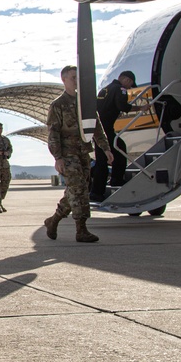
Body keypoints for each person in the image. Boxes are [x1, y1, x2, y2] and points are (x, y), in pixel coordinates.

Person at [44, 65, 114, 243]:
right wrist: (57, 157)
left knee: (78, 188)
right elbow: (53, 134)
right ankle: (81, 229)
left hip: (83, 152)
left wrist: (105, 148)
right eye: (73, 77)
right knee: (78, 189)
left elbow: (96, 127)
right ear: (64, 80)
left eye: (77, 78)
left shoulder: (86, 103)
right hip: (67, 154)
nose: (76, 81)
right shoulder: (58, 105)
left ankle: (54, 220)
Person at [90, 70, 137, 201]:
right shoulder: (120, 89)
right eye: (130, 85)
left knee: (101, 161)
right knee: (120, 149)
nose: (128, 88)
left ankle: (96, 192)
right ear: (127, 80)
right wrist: (139, 108)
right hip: (106, 129)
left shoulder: (105, 89)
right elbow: (122, 105)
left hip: (98, 129)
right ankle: (116, 180)